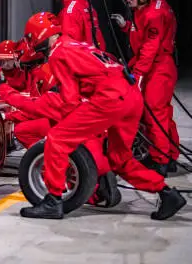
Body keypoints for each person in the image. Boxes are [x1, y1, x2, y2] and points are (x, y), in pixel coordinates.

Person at [17, 11, 185, 220]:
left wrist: (52, 108)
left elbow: (70, 100)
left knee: (57, 138)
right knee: (119, 159)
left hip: (110, 98)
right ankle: (167, 194)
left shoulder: (58, 54)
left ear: (39, 36)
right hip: (131, 96)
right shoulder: (75, 43)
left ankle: (53, 201)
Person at [0, 70, 120, 208]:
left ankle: (95, 188)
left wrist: (1, 87)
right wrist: (8, 117)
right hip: (102, 144)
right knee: (24, 130)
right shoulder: (90, 95)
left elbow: (27, 105)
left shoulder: (56, 99)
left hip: (88, 156)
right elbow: (35, 113)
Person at [111, 0, 178, 176]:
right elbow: (141, 33)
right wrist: (126, 26)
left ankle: (161, 161)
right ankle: (170, 155)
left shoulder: (155, 13)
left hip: (158, 67)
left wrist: (138, 75)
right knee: (163, 113)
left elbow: (149, 48)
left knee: (153, 113)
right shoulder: (151, 8)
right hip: (157, 65)